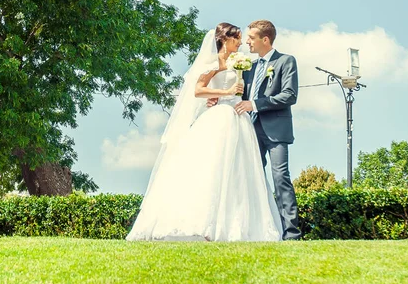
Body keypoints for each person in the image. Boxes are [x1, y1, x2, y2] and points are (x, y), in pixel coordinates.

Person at [126, 23, 282, 242]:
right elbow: (198, 90)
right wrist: (223, 92)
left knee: (239, 170)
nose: (240, 42)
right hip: (219, 118)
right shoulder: (212, 63)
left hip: (239, 118)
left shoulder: (241, 63)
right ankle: (203, 224)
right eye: (236, 38)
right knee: (213, 166)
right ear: (224, 39)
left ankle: (237, 224)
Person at [232, 19, 301, 240]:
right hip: (250, 130)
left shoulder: (286, 61)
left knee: (280, 177)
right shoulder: (249, 67)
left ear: (265, 39)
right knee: (252, 179)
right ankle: (260, 230)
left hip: (276, 130)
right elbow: (243, 97)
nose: (247, 42)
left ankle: (291, 234)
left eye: (251, 38)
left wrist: (256, 104)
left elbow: (290, 95)